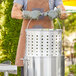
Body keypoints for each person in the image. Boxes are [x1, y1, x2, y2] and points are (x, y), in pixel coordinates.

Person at [11, 0, 67, 75]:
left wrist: (58, 13)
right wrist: (27, 14)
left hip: (47, 43)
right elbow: (14, 13)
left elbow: (64, 13)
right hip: (29, 42)